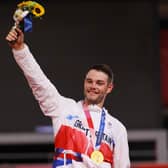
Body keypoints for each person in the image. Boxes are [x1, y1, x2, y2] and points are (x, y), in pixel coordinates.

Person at [6, 27, 130, 168]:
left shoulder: (117, 128)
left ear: (109, 88)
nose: (93, 86)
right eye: (89, 81)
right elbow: (39, 83)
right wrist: (20, 50)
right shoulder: (64, 109)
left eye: (99, 83)